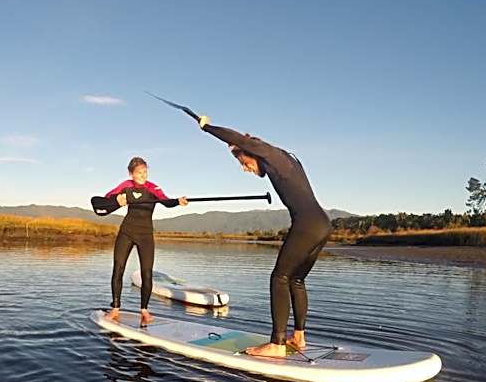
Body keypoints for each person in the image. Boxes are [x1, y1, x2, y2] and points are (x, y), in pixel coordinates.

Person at [196, 115, 331, 358]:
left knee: (279, 277)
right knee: (295, 280)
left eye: (243, 162)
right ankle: (299, 337)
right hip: (322, 224)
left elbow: (239, 138)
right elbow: (240, 142)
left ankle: (277, 345)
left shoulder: (271, 154)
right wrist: (237, 147)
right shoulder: (284, 159)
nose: (244, 168)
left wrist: (207, 127)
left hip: (307, 225)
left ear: (251, 152)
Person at [104, 157, 188, 326]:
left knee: (147, 272)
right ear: (131, 173)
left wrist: (178, 201)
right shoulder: (125, 186)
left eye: (145, 171)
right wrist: (116, 201)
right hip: (126, 232)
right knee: (118, 269)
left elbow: (166, 201)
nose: (143, 175)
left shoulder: (153, 188)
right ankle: (115, 308)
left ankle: (144, 311)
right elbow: (106, 199)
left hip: (146, 235)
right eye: (139, 172)